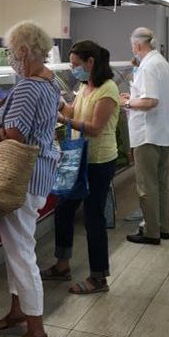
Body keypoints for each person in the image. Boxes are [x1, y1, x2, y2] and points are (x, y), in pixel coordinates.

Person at [0, 21, 60, 337]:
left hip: (19, 178)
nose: (10, 57)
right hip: (39, 175)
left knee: (21, 253)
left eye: (10, 50)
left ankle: (37, 336)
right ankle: (17, 311)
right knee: (18, 248)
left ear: (22, 50)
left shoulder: (26, 87)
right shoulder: (49, 81)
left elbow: (14, 136)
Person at [40, 40, 120, 294]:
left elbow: (95, 127)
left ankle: (99, 277)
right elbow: (75, 111)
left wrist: (64, 120)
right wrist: (59, 102)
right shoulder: (86, 86)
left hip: (99, 160)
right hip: (77, 157)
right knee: (63, 209)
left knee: (93, 218)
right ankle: (62, 264)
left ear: (90, 62)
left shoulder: (108, 90)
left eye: (76, 65)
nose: (74, 69)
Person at [120, 27, 169, 245]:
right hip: (163, 132)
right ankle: (163, 227)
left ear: (137, 45)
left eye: (132, 46)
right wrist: (133, 97)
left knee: (147, 185)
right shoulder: (163, 64)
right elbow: (149, 96)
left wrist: (126, 102)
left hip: (147, 135)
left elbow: (150, 101)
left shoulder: (148, 66)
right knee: (161, 183)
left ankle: (151, 232)